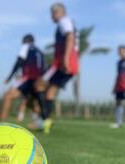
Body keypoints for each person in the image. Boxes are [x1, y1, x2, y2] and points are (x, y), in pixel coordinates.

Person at [33, 3, 79, 134]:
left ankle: (44, 118)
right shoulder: (63, 24)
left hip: (62, 63)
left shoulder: (64, 21)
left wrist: (65, 58)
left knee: (38, 85)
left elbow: (70, 37)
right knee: (50, 92)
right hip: (67, 62)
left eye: (53, 13)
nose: (51, 16)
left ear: (59, 12)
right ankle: (45, 121)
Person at [0, 34, 45, 122]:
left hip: (28, 78)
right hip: (39, 80)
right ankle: (44, 121)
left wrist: (9, 77)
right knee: (29, 103)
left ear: (24, 41)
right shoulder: (40, 51)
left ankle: (2, 123)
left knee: (7, 96)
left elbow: (19, 62)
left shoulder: (25, 46)